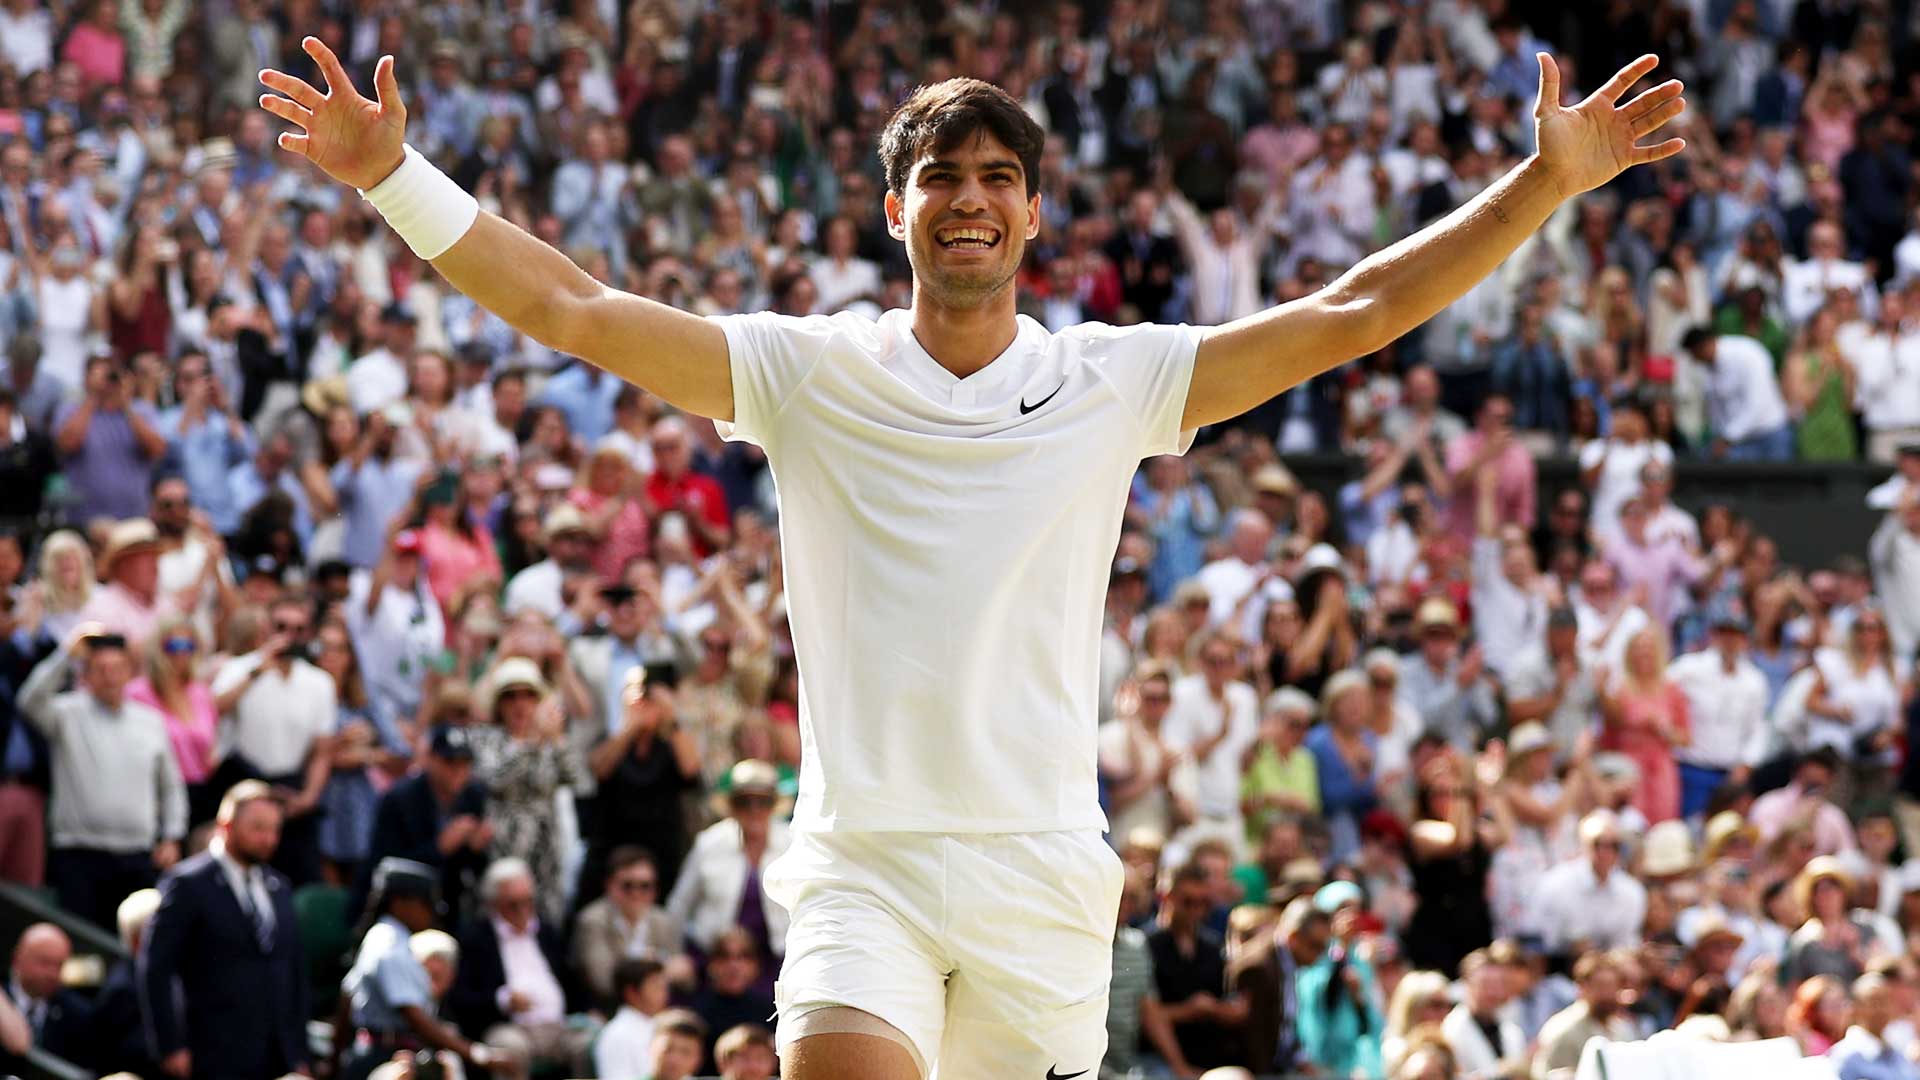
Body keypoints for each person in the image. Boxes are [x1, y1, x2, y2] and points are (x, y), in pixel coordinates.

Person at [261, 37, 1688, 1077]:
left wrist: (1543, 184)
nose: (970, 199)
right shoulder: (804, 373)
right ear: (898, 212)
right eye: (941, 177)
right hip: (862, 865)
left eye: (1000, 178)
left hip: (1042, 874)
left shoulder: (1115, 378)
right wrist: (393, 173)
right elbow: (574, 304)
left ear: (1034, 214)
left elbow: (1355, 309)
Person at [19, 624, 186, 929]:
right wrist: (67, 653)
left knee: (138, 941)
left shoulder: (150, 722)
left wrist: (172, 835)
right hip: (79, 854)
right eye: (100, 668)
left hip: (137, 855)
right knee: (84, 950)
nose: (110, 676)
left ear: (129, 671)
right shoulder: (66, 713)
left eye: (117, 667)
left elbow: (171, 786)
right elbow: (29, 701)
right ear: (86, 674)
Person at [139, 780, 308, 1080]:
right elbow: (157, 968)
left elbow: (293, 970)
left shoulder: (280, 888)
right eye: (257, 828)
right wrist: (170, 1045)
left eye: (274, 829)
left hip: (275, 1055)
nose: (268, 838)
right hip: (211, 1053)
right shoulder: (187, 884)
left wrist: (298, 1052)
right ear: (226, 824)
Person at [209, 595, 337, 885]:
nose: (289, 636)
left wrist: (308, 797)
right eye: (281, 626)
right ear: (266, 627)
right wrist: (257, 670)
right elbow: (214, 710)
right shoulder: (239, 669)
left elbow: (322, 751)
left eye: (299, 629)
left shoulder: (320, 683)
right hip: (242, 787)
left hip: (291, 794)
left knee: (299, 881)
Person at [338, 858, 500, 1080]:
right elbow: (417, 1019)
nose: (430, 914)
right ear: (400, 902)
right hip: (384, 1058)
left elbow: (346, 999)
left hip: (381, 1051)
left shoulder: (384, 935)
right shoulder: (389, 945)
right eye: (425, 905)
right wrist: (474, 1053)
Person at [448, 858, 591, 1080]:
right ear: (494, 904)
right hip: (510, 1029)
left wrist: (589, 1012)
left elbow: (572, 980)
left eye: (528, 901)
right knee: (508, 1048)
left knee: (589, 1042)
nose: (523, 910)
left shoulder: (546, 932)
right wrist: (503, 1000)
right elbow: (461, 998)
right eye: (513, 904)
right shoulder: (476, 938)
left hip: (557, 1027)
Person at [666, 759, 792, 986]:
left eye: (762, 802)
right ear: (732, 806)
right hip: (714, 960)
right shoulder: (710, 843)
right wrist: (676, 954)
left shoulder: (792, 844)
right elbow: (679, 904)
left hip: (777, 961)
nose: (754, 810)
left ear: (773, 806)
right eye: (745, 802)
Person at [354, 726, 490, 926]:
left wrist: (476, 849)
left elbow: (472, 867)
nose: (458, 771)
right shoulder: (400, 799)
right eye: (450, 762)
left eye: (465, 763)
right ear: (431, 760)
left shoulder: (473, 795)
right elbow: (386, 866)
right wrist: (439, 848)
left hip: (449, 903)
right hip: (398, 906)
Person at [571, 846, 688, 1010]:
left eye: (645, 886)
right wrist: (653, 967)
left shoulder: (662, 921)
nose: (636, 893)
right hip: (609, 1011)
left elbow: (684, 974)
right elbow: (603, 981)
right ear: (610, 885)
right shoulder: (593, 920)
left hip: (657, 1010)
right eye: (628, 885)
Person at [1534, 811, 1650, 957]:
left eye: (1614, 845)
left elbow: (1626, 943)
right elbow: (1545, 940)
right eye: (1598, 844)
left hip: (1612, 969)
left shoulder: (1632, 891)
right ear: (1583, 845)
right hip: (1560, 965)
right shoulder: (1555, 884)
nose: (1605, 852)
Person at [1532, 949, 1635, 1079]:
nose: (1607, 993)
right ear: (1583, 987)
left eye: (1612, 986)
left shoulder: (1622, 1029)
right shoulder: (1564, 1029)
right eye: (1600, 986)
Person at [1441, 948, 1527, 1080]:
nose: (1493, 992)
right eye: (1485, 984)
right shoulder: (1451, 1030)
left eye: (1499, 984)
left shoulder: (1512, 1032)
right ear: (1467, 984)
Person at [7, 924, 86, 1059]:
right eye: (45, 963)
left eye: (59, 965)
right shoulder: (3, 996)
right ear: (17, 959)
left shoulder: (74, 1014)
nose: (52, 974)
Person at [1829, 972, 1920, 1080]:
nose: (1882, 1010)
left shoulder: (1896, 1051)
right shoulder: (1846, 1056)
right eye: (1874, 1003)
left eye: (1886, 1001)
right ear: (1855, 1008)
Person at [594, 958, 671, 1080]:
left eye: (664, 986)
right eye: (655, 985)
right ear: (631, 992)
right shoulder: (617, 1034)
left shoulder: (660, 1025)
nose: (664, 992)